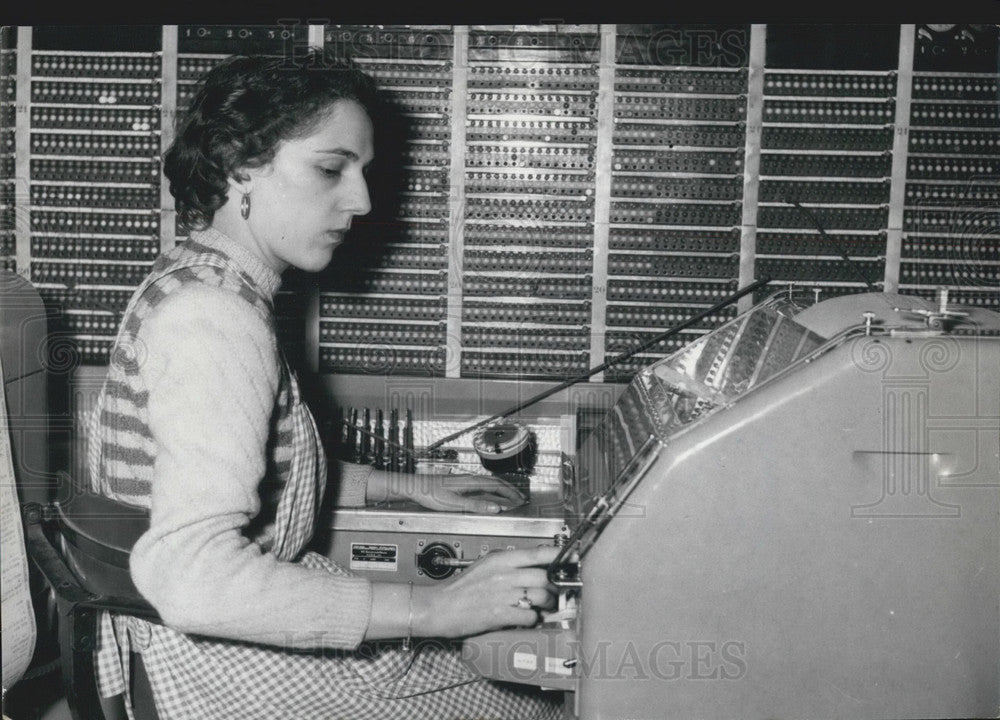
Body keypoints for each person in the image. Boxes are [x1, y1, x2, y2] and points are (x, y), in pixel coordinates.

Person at [86, 50, 563, 720]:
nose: (363, 200)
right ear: (239, 165)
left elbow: (258, 472)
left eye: (362, 172)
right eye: (330, 168)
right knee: (535, 696)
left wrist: (409, 487)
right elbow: (194, 580)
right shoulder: (213, 318)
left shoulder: (196, 279)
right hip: (215, 668)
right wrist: (437, 610)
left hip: (214, 643)